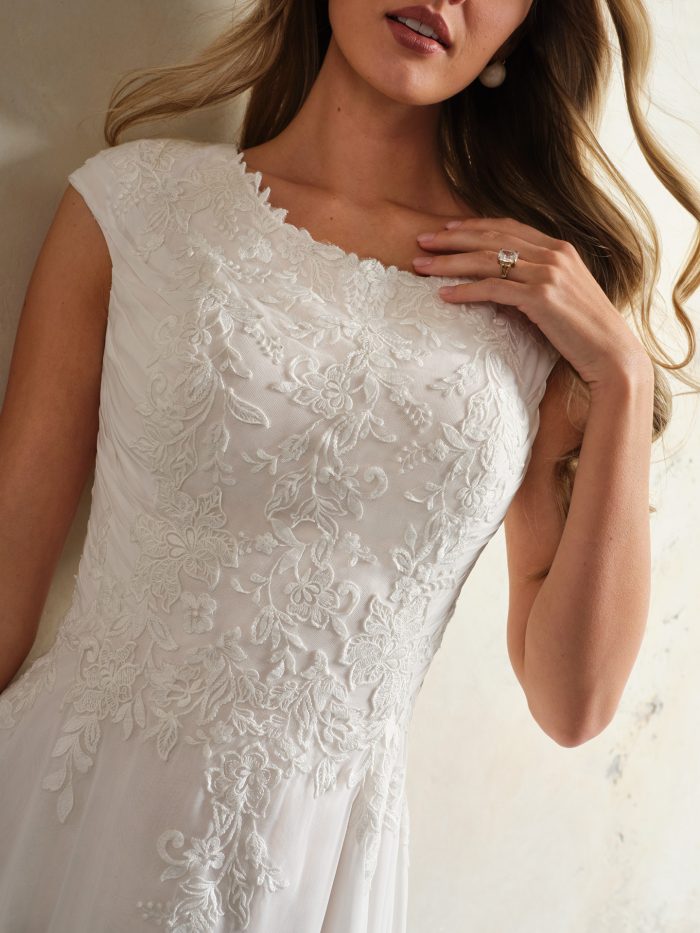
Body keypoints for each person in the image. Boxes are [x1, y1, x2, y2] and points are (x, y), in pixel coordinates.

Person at [0, 1, 698, 930]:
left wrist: (617, 375)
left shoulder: (537, 316)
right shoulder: (134, 208)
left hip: (314, 876)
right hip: (67, 817)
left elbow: (573, 703)